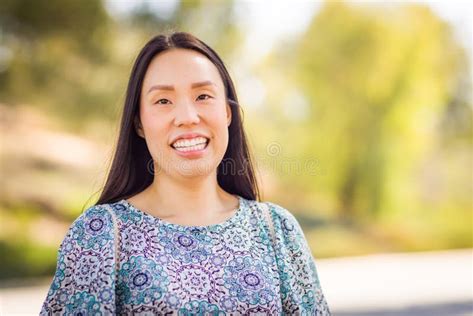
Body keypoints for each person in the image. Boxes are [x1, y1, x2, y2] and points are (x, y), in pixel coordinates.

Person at [40, 31, 331, 315]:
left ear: (227, 113)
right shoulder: (99, 236)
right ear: (139, 123)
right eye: (163, 101)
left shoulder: (277, 230)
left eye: (203, 96)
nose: (188, 118)